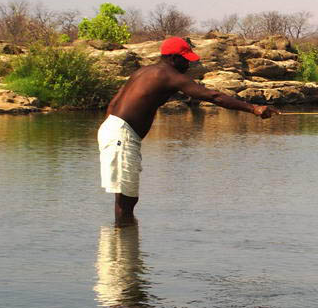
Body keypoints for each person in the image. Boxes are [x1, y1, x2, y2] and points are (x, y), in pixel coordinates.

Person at [98, 36, 279, 224]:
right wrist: (254, 109)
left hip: (113, 130)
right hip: (121, 135)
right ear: (173, 58)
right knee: (126, 201)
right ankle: (123, 249)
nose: (188, 65)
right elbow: (214, 96)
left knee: (127, 198)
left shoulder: (143, 72)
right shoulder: (168, 75)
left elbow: (113, 104)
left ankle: (121, 249)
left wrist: (113, 133)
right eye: (185, 60)